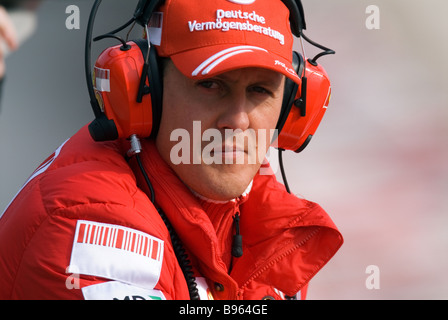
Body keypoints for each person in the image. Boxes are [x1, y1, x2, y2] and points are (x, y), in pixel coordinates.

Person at [0, 0, 343, 300]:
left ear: (292, 108)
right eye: (210, 85)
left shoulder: (263, 218)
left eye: (260, 91)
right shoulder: (89, 218)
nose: (238, 122)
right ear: (145, 90)